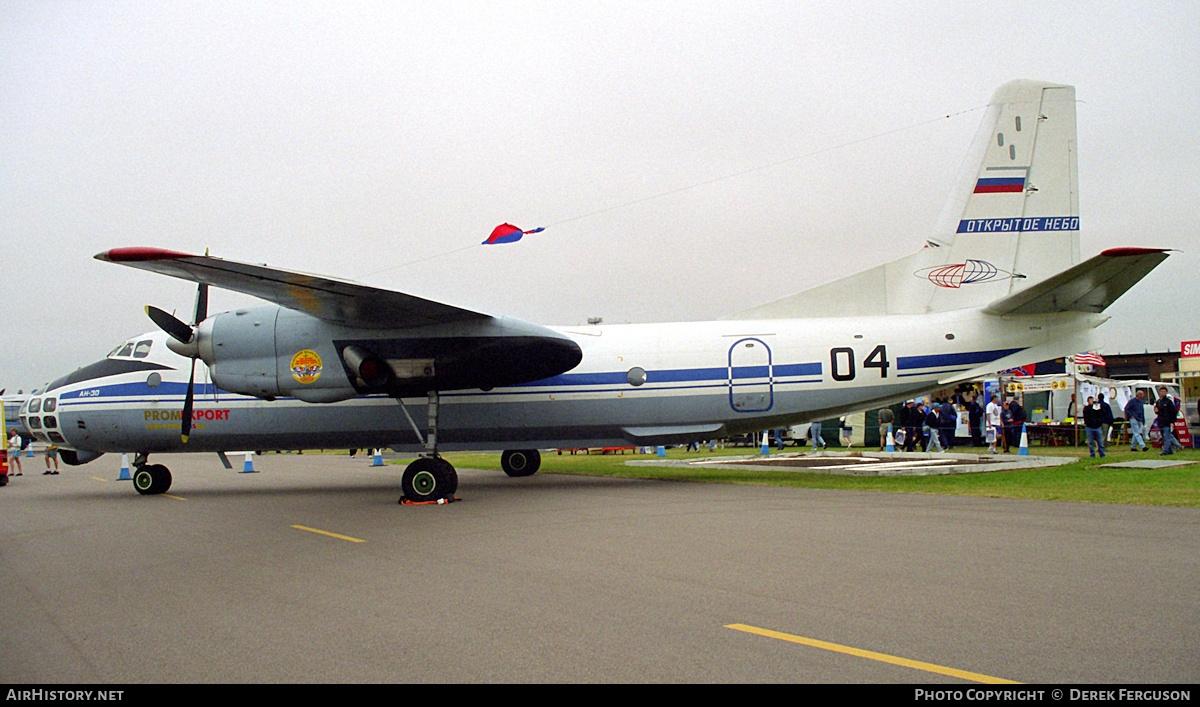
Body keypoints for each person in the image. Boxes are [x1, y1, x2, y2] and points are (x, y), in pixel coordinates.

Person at [1155, 386, 1182, 456]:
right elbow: (1157, 410)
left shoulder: (1169, 402)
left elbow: (1173, 412)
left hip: (1167, 422)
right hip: (1160, 421)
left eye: (1164, 391)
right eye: (1161, 391)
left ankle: (1165, 451)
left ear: (1166, 392)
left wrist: (1172, 421)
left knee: (1167, 437)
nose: (1163, 393)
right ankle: (1172, 449)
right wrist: (1156, 411)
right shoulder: (1158, 401)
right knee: (1166, 436)